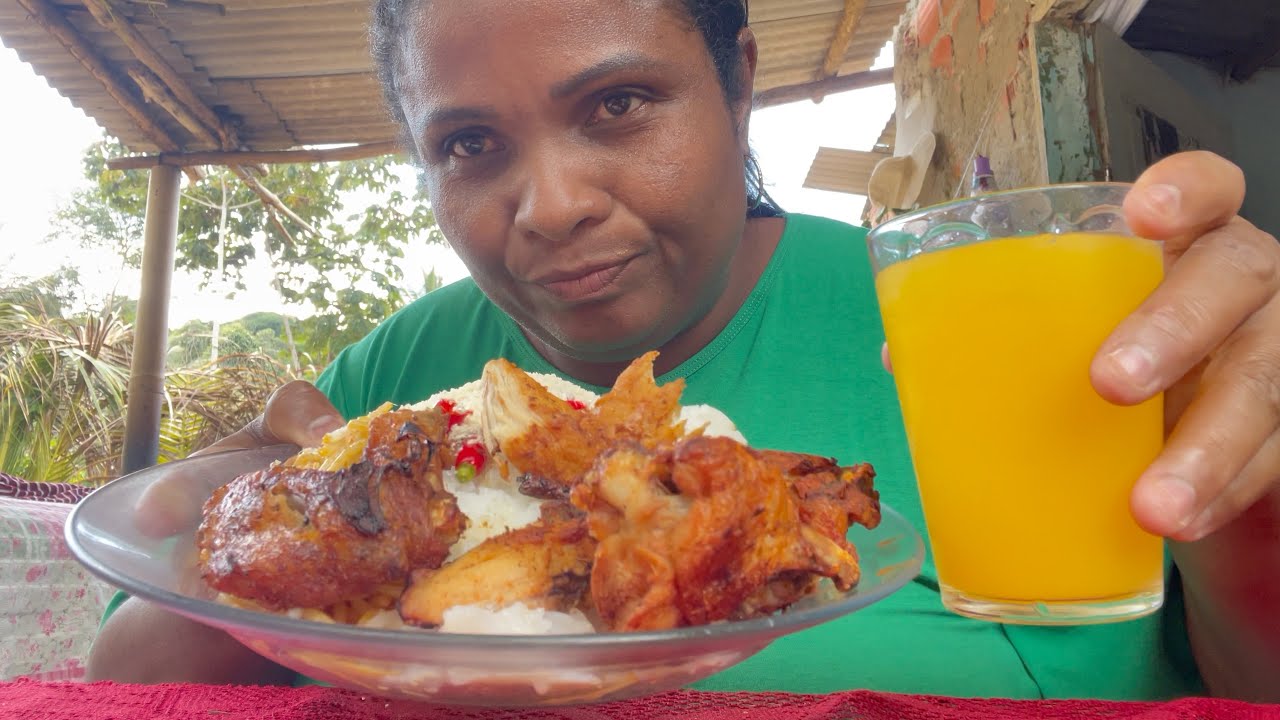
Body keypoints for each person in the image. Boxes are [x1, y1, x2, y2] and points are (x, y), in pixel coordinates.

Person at [87, 0, 1280, 702]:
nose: (546, 206)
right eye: (465, 145)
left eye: (617, 106)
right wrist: (231, 485)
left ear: (737, 82)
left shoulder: (965, 307)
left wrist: (1240, 515)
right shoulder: (393, 392)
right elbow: (125, 679)